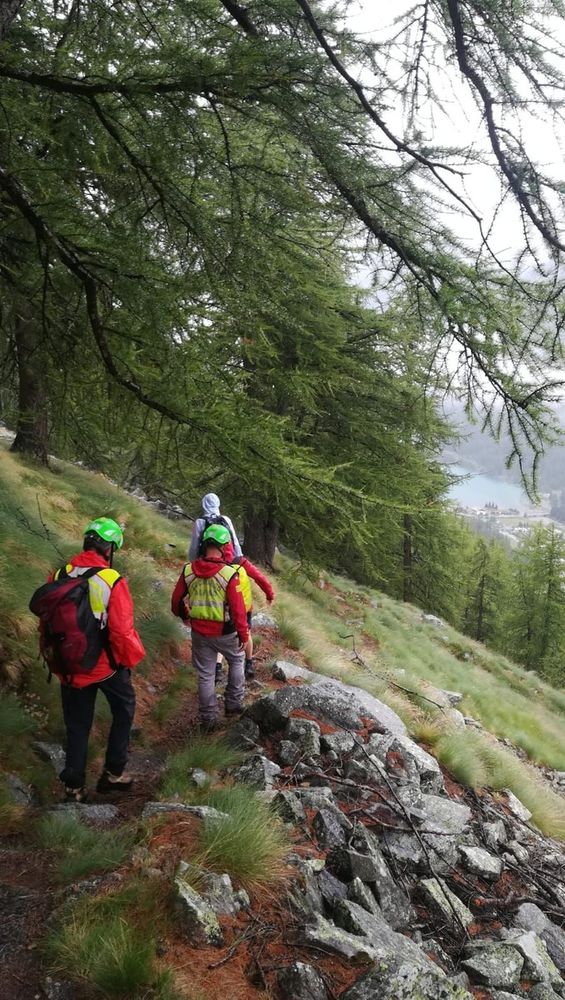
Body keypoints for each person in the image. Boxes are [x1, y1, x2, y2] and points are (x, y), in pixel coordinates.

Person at [32, 518, 145, 802]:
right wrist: (129, 661)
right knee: (124, 707)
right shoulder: (111, 580)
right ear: (110, 549)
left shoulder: (59, 574)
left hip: (68, 666)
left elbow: (45, 622)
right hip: (104, 666)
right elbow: (121, 631)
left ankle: (74, 788)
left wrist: (54, 660)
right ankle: (113, 773)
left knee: (77, 725)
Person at [171, 523, 251, 731]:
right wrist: (243, 634)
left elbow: (176, 600)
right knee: (236, 660)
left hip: (199, 632)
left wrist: (185, 615)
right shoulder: (228, 574)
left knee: (206, 674)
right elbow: (238, 609)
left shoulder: (189, 570)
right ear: (225, 546)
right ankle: (233, 704)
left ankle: (208, 720)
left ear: (205, 544)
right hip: (226, 632)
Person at [230, 555, 275, 679]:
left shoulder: (211, 560)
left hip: (221, 607)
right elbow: (259, 577)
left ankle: (217, 666)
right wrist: (269, 595)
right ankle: (248, 663)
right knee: (246, 632)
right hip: (244, 606)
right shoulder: (240, 561)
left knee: (222, 633)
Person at [188, 493, 242, 561]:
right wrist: (239, 558)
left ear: (203, 504)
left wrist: (192, 561)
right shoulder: (226, 519)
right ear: (218, 503)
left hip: (206, 560)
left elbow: (194, 546)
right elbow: (234, 541)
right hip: (226, 560)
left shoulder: (200, 522)